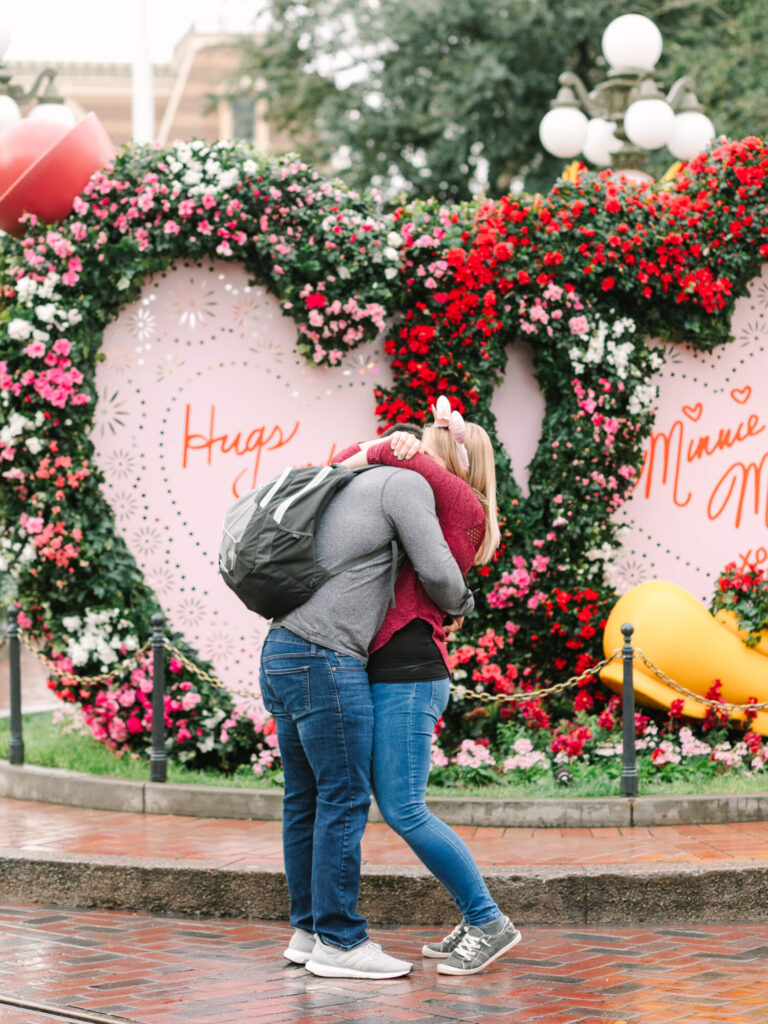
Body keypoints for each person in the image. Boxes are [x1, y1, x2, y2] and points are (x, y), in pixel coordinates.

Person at [258, 437, 474, 980]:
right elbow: (441, 573)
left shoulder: (346, 481)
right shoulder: (405, 485)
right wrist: (464, 606)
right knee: (345, 796)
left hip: (281, 649)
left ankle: (308, 933)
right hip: (327, 656)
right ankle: (341, 941)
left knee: (303, 799)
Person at [340, 398, 522, 976]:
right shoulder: (436, 495)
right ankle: (476, 919)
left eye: (428, 441)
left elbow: (382, 461)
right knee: (400, 806)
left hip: (411, 674)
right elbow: (338, 460)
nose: (416, 444)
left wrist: (399, 447)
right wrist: (388, 447)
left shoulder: (460, 501)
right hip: (399, 670)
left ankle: (489, 920)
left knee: (405, 809)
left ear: (449, 458)